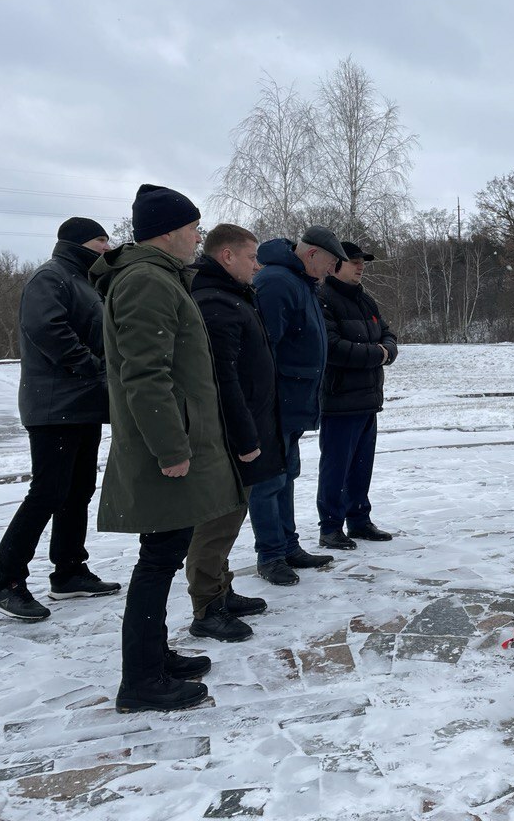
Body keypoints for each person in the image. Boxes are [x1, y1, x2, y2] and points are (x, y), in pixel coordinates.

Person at [92, 184, 244, 713]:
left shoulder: (159, 278)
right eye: (193, 228)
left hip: (176, 444)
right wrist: (171, 449)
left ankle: (154, 657)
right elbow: (145, 375)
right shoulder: (146, 282)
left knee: (162, 554)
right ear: (169, 231)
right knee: (157, 561)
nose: (198, 237)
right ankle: (141, 680)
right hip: (167, 453)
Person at [0, 218, 119, 621]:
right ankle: (4, 582)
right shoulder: (51, 276)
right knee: (48, 491)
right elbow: (48, 329)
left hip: (83, 404)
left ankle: (69, 571)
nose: (107, 246)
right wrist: (93, 367)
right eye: (100, 239)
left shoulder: (84, 280)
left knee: (78, 490)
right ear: (77, 242)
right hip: (54, 406)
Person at [185, 223, 287, 642]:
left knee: (231, 516)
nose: (257, 265)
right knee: (216, 522)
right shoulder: (215, 303)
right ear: (227, 256)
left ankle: (221, 592)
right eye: (251, 257)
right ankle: (207, 608)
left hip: (243, 428)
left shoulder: (231, 296)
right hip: (227, 436)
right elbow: (223, 380)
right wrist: (245, 439)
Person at [248, 225, 347, 585]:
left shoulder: (300, 283)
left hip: (293, 401)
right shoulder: (277, 282)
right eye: (330, 263)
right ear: (311, 255)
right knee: (268, 480)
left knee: (286, 476)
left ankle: (288, 546)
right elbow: (263, 348)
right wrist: (265, 401)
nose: (331, 271)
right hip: (275, 403)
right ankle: (271, 554)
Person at [316, 241, 398, 549]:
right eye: (353, 261)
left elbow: (389, 335)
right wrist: (376, 354)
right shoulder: (323, 298)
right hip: (339, 400)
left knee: (362, 466)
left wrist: (385, 350)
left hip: (368, 399)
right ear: (335, 264)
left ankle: (359, 521)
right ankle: (330, 528)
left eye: (362, 261)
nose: (360, 266)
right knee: (336, 467)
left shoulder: (366, 300)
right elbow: (332, 348)